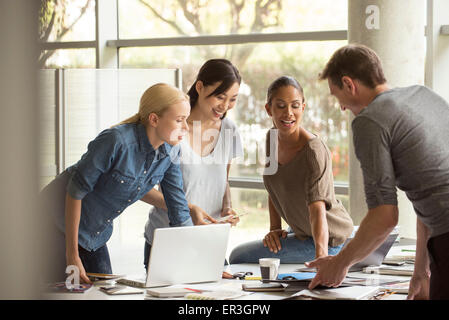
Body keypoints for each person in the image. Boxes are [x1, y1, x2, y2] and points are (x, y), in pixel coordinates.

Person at [307, 44, 449, 300]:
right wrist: (421, 271)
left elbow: (384, 216)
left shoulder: (370, 120)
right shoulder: (423, 95)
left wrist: (339, 265)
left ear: (349, 84)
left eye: (337, 95)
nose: (341, 107)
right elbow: (429, 197)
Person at [41, 83, 207, 284]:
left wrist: (200, 263)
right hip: (53, 223)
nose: (186, 127)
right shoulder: (116, 141)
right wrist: (72, 254)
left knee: (102, 292)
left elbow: (176, 207)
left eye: (186, 120)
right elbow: (75, 191)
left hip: (95, 234)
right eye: (179, 120)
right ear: (154, 119)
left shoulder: (171, 151)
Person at [228, 76, 354, 264]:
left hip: (329, 239)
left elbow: (317, 209)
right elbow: (274, 187)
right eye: (280, 106)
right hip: (301, 231)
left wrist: (321, 260)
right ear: (268, 109)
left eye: (295, 106)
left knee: (238, 256)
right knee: (243, 254)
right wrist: (274, 229)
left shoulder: (313, 151)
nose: (289, 113)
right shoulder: (272, 138)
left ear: (303, 107)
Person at [143, 59, 244, 271]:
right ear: (199, 87)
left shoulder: (229, 130)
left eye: (232, 99)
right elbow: (140, 189)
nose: (225, 106)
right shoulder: (171, 128)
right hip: (167, 241)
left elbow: (222, 180)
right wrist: (187, 209)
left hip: (209, 243)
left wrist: (226, 207)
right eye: (220, 96)